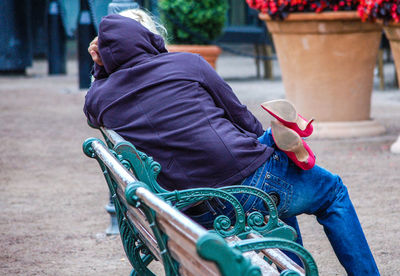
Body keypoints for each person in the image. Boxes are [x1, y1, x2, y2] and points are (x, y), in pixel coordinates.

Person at [84, 9, 380, 275]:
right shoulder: (187, 64)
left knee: (273, 168)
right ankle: (287, 139)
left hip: (188, 209)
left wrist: (102, 68)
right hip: (247, 187)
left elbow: (91, 108)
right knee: (332, 192)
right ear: (149, 38)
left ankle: (281, 151)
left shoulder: (100, 98)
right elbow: (244, 121)